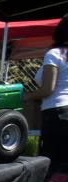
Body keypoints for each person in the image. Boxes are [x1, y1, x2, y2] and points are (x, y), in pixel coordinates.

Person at [26, 15, 68, 171]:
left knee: (52, 163)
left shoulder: (55, 54)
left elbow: (47, 90)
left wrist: (26, 96)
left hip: (57, 113)